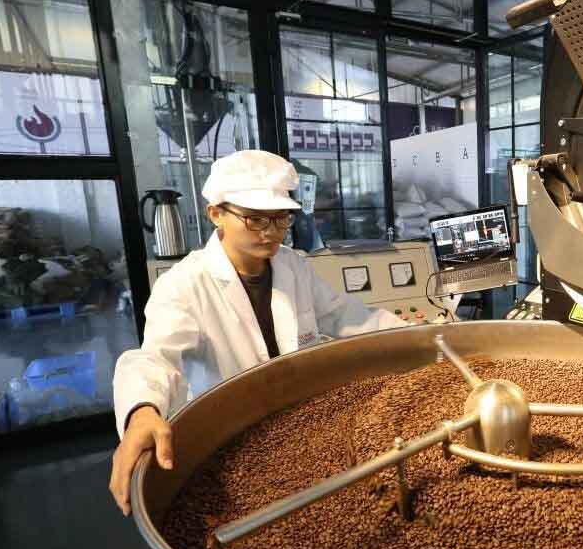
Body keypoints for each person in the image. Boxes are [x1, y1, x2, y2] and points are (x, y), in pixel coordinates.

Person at [108, 150, 404, 514]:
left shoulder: (293, 266)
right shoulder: (184, 284)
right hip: (233, 441)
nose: (270, 232)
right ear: (215, 213)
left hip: (304, 425)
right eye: (254, 219)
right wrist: (141, 411)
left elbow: (346, 316)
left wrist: (422, 335)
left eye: (280, 219)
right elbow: (154, 357)